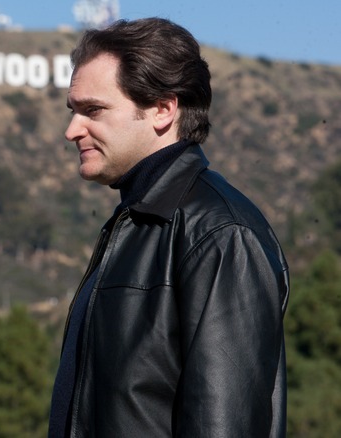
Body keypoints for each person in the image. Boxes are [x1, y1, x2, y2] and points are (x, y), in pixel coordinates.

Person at [49, 18, 289, 437]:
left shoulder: (219, 233)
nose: (72, 131)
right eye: (73, 112)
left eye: (93, 110)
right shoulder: (133, 226)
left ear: (163, 109)